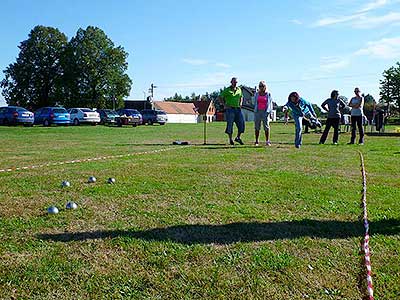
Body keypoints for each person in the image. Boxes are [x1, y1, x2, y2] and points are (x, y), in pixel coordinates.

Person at [219, 77, 245, 145]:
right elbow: (220, 97)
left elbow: (241, 96)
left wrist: (241, 103)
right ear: (231, 82)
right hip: (230, 109)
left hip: (238, 109)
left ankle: (238, 137)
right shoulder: (227, 90)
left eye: (236, 82)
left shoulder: (239, 89)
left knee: (241, 124)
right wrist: (224, 105)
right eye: (234, 82)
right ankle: (230, 139)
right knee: (230, 125)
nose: (235, 83)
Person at [253, 81, 273, 146]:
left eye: (263, 86)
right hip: (257, 111)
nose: (261, 87)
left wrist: (269, 112)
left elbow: (270, 104)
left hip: (265, 112)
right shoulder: (256, 94)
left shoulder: (268, 94)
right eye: (260, 86)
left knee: (266, 126)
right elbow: (254, 102)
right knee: (257, 126)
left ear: (265, 87)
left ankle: (267, 141)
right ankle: (256, 141)